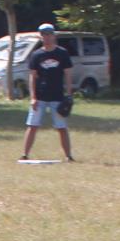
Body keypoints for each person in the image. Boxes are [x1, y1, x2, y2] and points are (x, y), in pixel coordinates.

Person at [21, 23, 75, 163]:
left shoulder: (62, 53)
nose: (47, 37)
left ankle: (68, 156)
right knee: (32, 125)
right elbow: (32, 76)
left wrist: (69, 94)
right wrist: (33, 97)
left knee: (61, 127)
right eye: (44, 35)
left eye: (49, 34)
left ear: (53, 35)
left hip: (57, 96)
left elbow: (68, 74)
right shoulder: (37, 55)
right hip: (40, 96)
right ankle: (25, 154)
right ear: (41, 37)